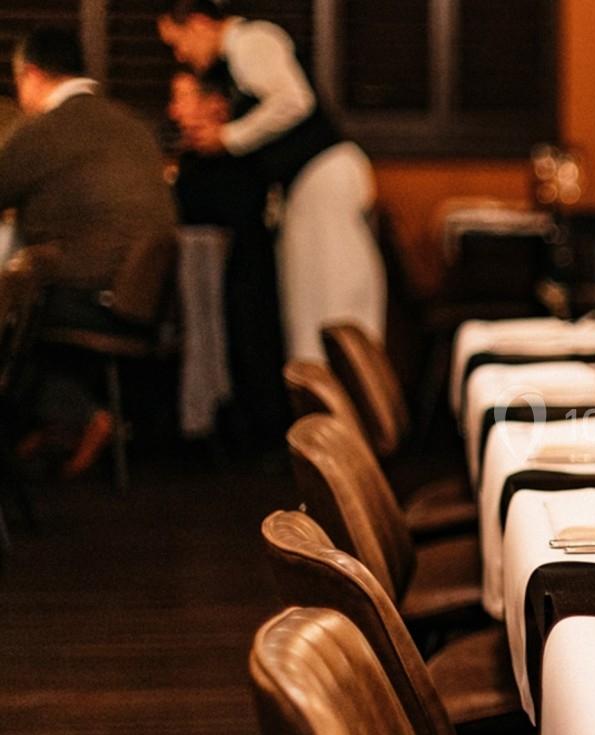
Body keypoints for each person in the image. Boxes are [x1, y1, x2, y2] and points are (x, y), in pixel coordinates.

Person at [158, 0, 386, 362]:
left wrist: (228, 138)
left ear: (200, 23)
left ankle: (346, 400)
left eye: (177, 42)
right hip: (307, 182)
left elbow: (294, 100)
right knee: (311, 302)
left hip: (321, 175)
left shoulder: (251, 40)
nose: (181, 55)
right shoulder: (233, 64)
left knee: (329, 300)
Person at [0, 27, 176, 477]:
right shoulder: (133, 126)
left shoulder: (44, 132)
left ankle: (79, 415)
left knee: (14, 309)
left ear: (33, 75)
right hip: (147, 299)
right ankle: (60, 422)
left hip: (86, 296)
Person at [169, 68, 289, 447]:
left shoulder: (236, 164)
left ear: (218, 106)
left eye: (183, 99)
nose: (174, 112)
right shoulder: (193, 161)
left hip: (241, 281)